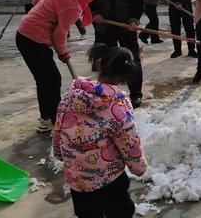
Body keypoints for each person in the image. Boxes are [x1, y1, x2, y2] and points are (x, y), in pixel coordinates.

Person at [53, 44, 147, 218]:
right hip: (109, 177)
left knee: (87, 214)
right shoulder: (118, 106)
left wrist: (60, 154)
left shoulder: (69, 98)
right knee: (121, 211)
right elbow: (129, 142)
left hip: (77, 179)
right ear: (125, 77)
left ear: (100, 64)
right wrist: (138, 167)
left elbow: (58, 132)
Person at [16, 0, 101, 132]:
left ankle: (46, 119)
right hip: (32, 40)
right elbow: (59, 34)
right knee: (53, 79)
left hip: (25, 34)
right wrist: (63, 53)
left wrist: (39, 9)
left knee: (44, 80)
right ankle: (57, 124)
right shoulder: (73, 6)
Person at [90, 0, 144, 108]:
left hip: (126, 28)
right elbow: (90, 1)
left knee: (132, 60)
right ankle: (106, 94)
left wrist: (134, 20)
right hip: (104, 27)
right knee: (105, 62)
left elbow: (138, 4)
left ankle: (136, 95)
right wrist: (95, 14)